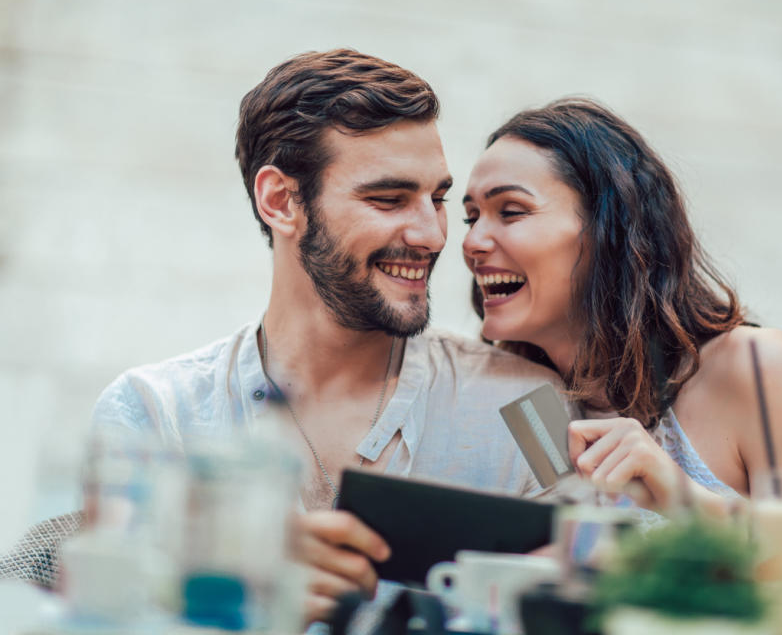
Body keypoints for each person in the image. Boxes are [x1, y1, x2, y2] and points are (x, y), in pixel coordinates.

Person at [90, 49, 564, 626]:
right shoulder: (152, 414)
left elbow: (604, 596)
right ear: (282, 201)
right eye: (388, 199)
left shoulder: (530, 405)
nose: (433, 234)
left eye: (437, 199)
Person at [461, 98, 782, 635]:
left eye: (510, 211)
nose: (472, 242)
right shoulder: (529, 398)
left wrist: (680, 498)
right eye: (470, 216)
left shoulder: (756, 368)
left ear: (606, 229)